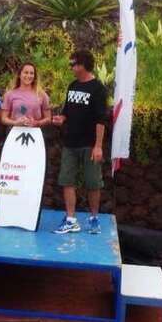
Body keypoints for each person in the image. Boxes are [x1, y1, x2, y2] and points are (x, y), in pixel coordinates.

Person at [51, 50, 107, 234]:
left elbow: (101, 120)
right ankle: (70, 219)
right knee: (67, 180)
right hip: (70, 143)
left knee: (93, 183)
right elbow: (67, 111)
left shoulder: (98, 89)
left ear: (83, 65)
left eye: (73, 64)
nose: (71, 67)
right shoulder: (73, 85)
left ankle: (94, 218)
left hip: (90, 144)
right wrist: (61, 119)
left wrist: (98, 146)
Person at [1, 62, 51, 128]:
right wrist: (15, 123)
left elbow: (48, 119)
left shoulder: (42, 94)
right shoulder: (9, 94)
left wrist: (37, 123)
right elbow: (4, 119)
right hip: (15, 131)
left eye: (31, 73)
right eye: (26, 72)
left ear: (34, 76)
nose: (28, 75)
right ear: (19, 75)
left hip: (35, 132)